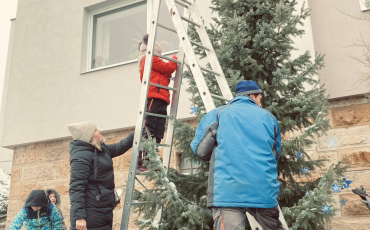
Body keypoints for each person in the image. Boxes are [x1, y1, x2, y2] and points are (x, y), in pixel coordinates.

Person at [190, 80, 284, 230]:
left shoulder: (218, 114)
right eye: (260, 99)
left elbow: (200, 150)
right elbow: (275, 154)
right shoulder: (270, 118)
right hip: (263, 192)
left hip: (227, 193)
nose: (260, 104)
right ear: (252, 96)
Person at [67, 121, 134, 230]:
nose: (100, 131)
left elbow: (121, 146)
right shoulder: (81, 156)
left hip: (102, 213)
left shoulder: (101, 150)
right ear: (89, 137)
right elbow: (76, 188)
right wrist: (79, 217)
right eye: (95, 130)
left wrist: (138, 132)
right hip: (89, 217)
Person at [137, 34, 178, 171]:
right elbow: (168, 69)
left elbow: (165, 74)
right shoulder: (148, 58)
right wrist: (175, 59)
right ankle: (143, 160)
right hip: (153, 96)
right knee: (150, 127)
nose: (161, 56)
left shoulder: (153, 60)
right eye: (159, 54)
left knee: (159, 130)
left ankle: (152, 158)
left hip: (161, 97)